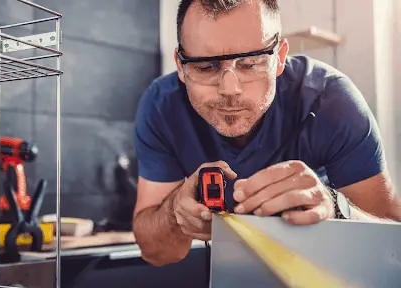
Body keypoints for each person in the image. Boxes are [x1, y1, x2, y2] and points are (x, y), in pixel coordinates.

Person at [131, 0, 401, 267]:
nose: (229, 89)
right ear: (180, 65)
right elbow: (157, 253)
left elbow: (392, 247)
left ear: (280, 57)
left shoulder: (332, 102)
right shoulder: (161, 107)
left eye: (250, 63)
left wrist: (336, 209)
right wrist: (173, 212)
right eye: (205, 67)